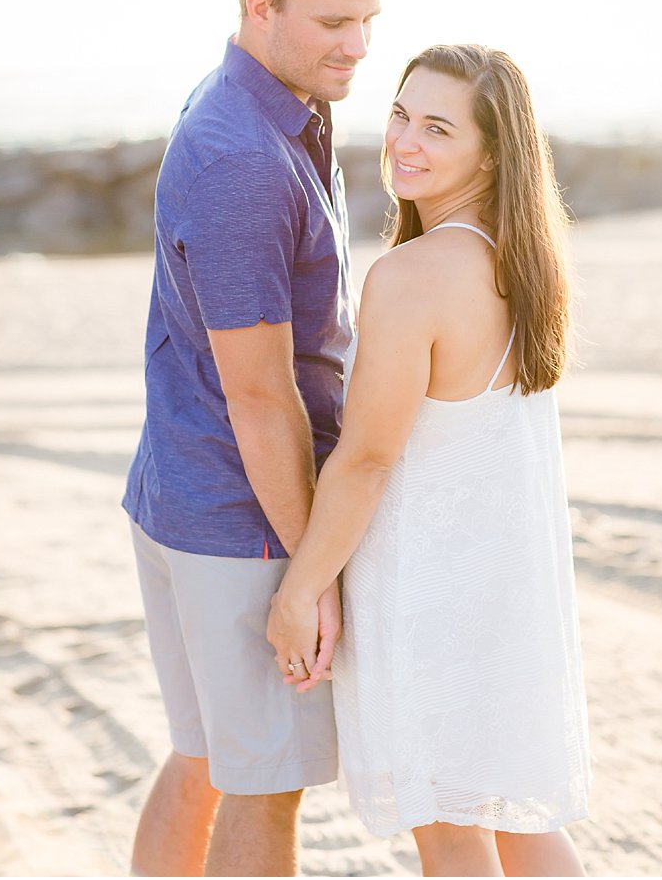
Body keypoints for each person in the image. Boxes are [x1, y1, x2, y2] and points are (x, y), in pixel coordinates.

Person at [121, 0, 396, 876]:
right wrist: (305, 570)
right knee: (262, 781)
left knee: (206, 758)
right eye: (332, 22)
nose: (356, 44)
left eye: (366, 19)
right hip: (239, 518)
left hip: (186, 491)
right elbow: (260, 396)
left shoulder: (270, 106)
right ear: (259, 8)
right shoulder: (239, 152)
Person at [266, 44, 591, 875]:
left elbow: (369, 457)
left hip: (433, 594)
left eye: (437, 127)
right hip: (504, 588)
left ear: (492, 151)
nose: (405, 141)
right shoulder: (521, 261)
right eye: (402, 113)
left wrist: (301, 587)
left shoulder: (414, 274)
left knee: (451, 830)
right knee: (516, 817)